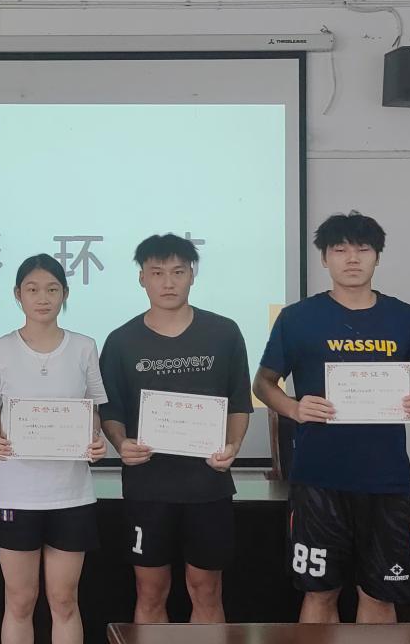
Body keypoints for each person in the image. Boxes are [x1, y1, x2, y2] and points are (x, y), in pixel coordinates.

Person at [253, 211, 410, 623]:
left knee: (381, 596)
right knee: (319, 593)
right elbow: (263, 383)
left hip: (386, 480)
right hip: (319, 478)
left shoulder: (405, 317)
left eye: (363, 249)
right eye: (339, 250)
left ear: (377, 257)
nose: (352, 258)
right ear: (324, 258)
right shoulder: (297, 318)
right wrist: (293, 408)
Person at [100, 234, 252, 623]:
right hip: (148, 487)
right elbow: (111, 411)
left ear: (192, 275)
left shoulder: (224, 332)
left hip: (208, 486)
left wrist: (233, 446)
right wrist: (120, 442)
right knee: (150, 592)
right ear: (142, 278)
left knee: (207, 590)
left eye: (178, 272)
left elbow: (239, 403)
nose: (168, 282)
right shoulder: (120, 341)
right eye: (157, 273)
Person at [0, 254, 108, 644]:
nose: (43, 298)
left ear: (64, 294)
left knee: (65, 601)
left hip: (71, 495)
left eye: (52, 289)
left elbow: (94, 410)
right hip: (16, 495)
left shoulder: (84, 347)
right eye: (33, 289)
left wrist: (94, 437)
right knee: (19, 601)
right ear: (17, 294)